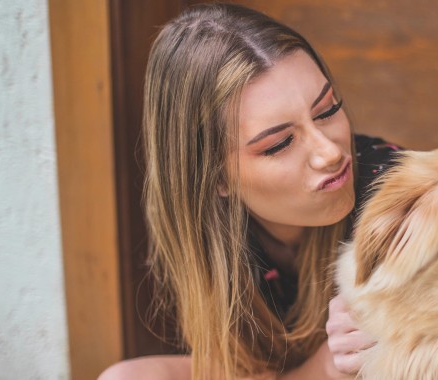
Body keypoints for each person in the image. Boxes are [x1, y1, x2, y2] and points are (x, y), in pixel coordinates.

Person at [99, 3, 400, 379]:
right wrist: (325, 364)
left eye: (327, 110)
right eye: (278, 143)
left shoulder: (395, 191)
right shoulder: (210, 232)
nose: (330, 152)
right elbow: (252, 370)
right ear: (216, 178)